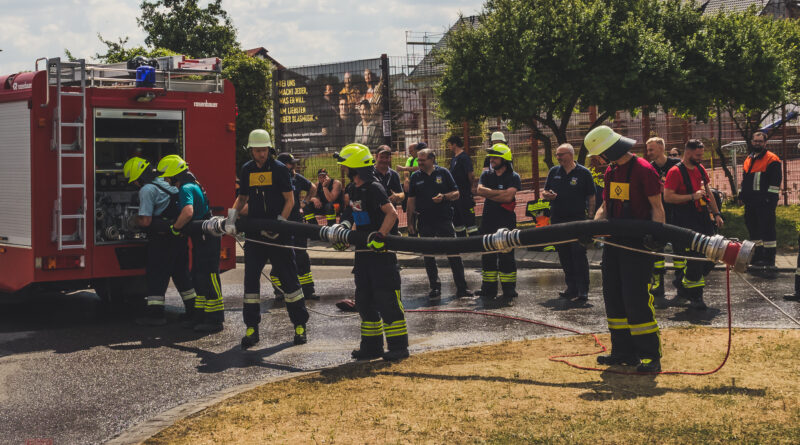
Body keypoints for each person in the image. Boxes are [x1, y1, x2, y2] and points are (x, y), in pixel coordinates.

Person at [586, 125, 665, 373]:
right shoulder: (611, 171)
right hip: (614, 243)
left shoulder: (644, 170)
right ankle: (623, 352)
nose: (598, 161)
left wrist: (657, 236)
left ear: (608, 150)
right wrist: (592, 228)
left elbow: (657, 207)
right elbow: (606, 206)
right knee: (614, 296)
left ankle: (650, 356)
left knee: (636, 298)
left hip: (637, 245)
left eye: (599, 154)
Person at [225, 129, 310, 349]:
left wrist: (280, 223)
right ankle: (251, 328)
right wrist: (231, 219)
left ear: (269, 149)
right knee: (251, 283)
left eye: (264, 150)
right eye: (257, 150)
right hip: (255, 235)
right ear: (251, 150)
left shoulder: (279, 169)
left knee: (290, 280)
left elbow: (290, 200)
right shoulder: (247, 170)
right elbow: (242, 197)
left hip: (279, 234)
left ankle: (300, 326)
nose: (261, 154)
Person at [334, 143, 409, 361]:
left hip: (381, 255)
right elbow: (352, 212)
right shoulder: (354, 189)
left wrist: (381, 236)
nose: (344, 170)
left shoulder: (374, 188)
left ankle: (398, 347)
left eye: (346, 166)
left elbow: (391, 213)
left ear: (355, 167)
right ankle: (372, 347)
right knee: (364, 301)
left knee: (387, 300)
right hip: (363, 255)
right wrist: (344, 233)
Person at [123, 156, 196, 326]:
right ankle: (193, 310)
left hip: (162, 240)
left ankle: (155, 315)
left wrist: (133, 221)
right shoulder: (166, 184)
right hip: (178, 237)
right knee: (182, 274)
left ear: (138, 178)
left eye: (133, 181)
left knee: (157, 275)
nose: (134, 185)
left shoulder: (147, 190)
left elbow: (146, 221)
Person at [157, 154, 225, 332]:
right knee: (198, 275)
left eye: (166, 176)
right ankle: (200, 315)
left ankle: (215, 319)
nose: (165, 179)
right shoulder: (192, 184)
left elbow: (188, 212)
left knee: (208, 276)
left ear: (173, 174)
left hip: (205, 237)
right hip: (201, 236)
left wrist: (175, 228)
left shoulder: (186, 187)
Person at [663, 139, 724, 310]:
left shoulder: (700, 168)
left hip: (703, 217)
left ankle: (684, 284)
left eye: (701, 154)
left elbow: (708, 192)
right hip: (685, 219)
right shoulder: (675, 172)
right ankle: (696, 296)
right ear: (687, 153)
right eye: (698, 155)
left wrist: (717, 213)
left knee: (713, 253)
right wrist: (692, 197)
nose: (700, 158)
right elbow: (668, 197)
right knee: (696, 259)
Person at [407, 148, 471, 301]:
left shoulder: (443, 173)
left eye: (422, 160)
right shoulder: (415, 177)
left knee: (453, 254)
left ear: (432, 159)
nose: (419, 163)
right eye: (418, 160)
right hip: (424, 221)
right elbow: (411, 201)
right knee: (429, 256)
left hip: (444, 219)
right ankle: (435, 287)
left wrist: (444, 197)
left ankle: (462, 288)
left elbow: (456, 194)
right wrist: (410, 223)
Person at [542, 143, 596, 302]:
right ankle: (571, 287)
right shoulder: (554, 172)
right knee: (564, 254)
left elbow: (591, 196)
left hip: (577, 221)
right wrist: (547, 195)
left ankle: (583, 290)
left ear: (571, 155)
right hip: (558, 219)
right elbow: (545, 191)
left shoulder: (583, 173)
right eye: (557, 155)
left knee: (578, 254)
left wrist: (591, 217)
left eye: (561, 155)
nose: (558, 158)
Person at [476, 143, 521, 307]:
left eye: (495, 157)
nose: (491, 159)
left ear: (504, 159)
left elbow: (508, 198)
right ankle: (488, 288)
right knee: (487, 255)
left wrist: (492, 194)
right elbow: (480, 191)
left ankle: (509, 289)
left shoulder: (514, 176)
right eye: (491, 157)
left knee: (506, 255)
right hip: (488, 220)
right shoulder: (487, 175)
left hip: (506, 221)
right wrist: (500, 194)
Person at [645, 137, 682, 308]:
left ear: (661, 148)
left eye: (651, 149)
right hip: (656, 212)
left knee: (679, 248)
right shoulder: (649, 168)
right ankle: (658, 283)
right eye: (648, 150)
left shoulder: (676, 165)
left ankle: (681, 282)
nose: (649, 153)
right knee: (656, 249)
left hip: (675, 212)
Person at [277, 152, 319, 300]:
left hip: (297, 222)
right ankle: (280, 290)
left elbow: (313, 188)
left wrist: (305, 202)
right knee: (282, 256)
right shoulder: (277, 178)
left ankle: (308, 291)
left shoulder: (296, 178)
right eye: (291, 163)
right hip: (282, 223)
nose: (294, 166)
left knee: (301, 256)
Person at [740, 131, 782, 278]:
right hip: (751, 203)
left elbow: (775, 183)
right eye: (755, 141)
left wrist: (769, 200)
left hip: (765, 203)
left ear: (765, 143)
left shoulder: (772, 159)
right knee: (754, 231)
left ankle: (769, 260)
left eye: (760, 141)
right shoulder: (748, 159)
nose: (757, 143)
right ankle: (758, 257)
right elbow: (745, 181)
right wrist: (742, 195)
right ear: (752, 142)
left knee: (768, 231)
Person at [447, 135, 478, 237]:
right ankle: (461, 241)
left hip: (464, 193)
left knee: (469, 219)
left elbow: (470, 174)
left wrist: (472, 186)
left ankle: (474, 242)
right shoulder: (454, 158)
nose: (449, 147)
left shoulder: (464, 157)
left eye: (449, 145)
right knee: (457, 220)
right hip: (456, 194)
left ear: (454, 144)